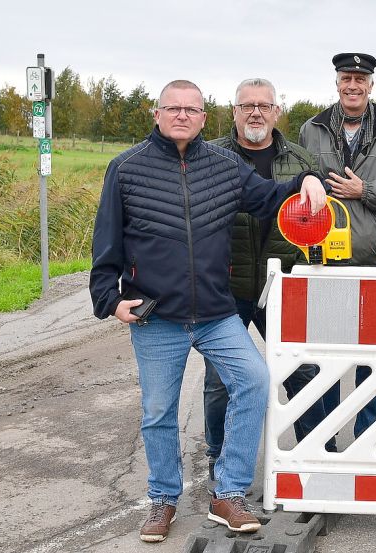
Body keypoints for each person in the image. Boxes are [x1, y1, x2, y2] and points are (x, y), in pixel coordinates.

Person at [89, 79, 327, 543]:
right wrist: (109, 299)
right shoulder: (127, 168)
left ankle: (229, 492)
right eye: (172, 108)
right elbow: (108, 240)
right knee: (159, 410)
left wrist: (307, 180)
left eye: (191, 110)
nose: (182, 116)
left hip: (217, 311)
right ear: (156, 115)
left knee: (254, 382)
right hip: (156, 315)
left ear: (203, 117)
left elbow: (267, 197)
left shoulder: (225, 166)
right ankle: (162, 500)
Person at [202, 78, 326, 476]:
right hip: (227, 286)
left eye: (263, 105)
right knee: (221, 379)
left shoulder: (303, 163)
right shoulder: (210, 157)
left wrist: (316, 181)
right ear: (233, 112)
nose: (255, 112)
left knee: (302, 370)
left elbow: (320, 224)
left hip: (282, 286)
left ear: (277, 112)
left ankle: (314, 451)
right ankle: (217, 458)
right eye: (246, 105)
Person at [299, 53, 376, 444]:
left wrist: (363, 190)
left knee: (372, 354)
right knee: (327, 355)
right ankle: (327, 438)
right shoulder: (310, 130)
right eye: (346, 78)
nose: (353, 85)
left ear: (371, 85)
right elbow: (297, 180)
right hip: (323, 260)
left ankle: (367, 435)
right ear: (336, 83)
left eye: (360, 79)